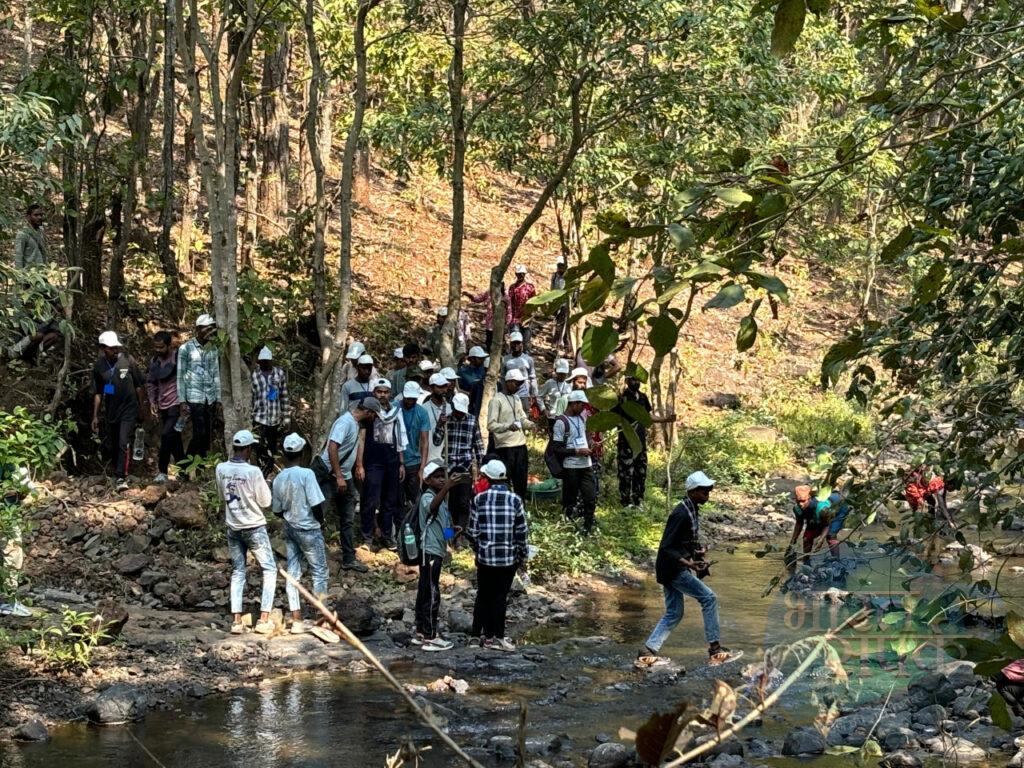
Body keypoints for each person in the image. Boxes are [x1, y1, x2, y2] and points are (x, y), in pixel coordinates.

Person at [636, 471, 731, 668]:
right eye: (704, 491)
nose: (707, 495)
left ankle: (647, 651)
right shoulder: (680, 514)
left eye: (709, 491)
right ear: (693, 491)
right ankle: (715, 649)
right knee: (709, 598)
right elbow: (666, 546)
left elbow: (683, 541)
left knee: (674, 613)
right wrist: (688, 564)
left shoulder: (692, 508)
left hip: (670, 567)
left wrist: (698, 553)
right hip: (673, 569)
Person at [217, 430, 276, 635]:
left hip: (233, 526)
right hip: (254, 526)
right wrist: (268, 483)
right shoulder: (253, 472)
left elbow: (221, 494)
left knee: (238, 571)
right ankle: (264, 619)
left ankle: (236, 621)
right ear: (249, 449)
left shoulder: (221, 468)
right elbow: (266, 502)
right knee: (269, 570)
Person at [313, 398, 382, 573]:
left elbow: (356, 444)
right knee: (318, 515)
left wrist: (358, 465)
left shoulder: (357, 425)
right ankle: (311, 558)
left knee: (348, 518)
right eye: (374, 415)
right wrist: (338, 476)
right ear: (368, 412)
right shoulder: (344, 422)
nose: (374, 419)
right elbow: (332, 447)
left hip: (345, 476)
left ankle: (349, 558)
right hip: (331, 475)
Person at [467, 459, 529, 651]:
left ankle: (476, 636)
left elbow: (472, 531)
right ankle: (497, 637)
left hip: (485, 558)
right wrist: (523, 558)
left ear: (489, 478)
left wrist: (478, 548)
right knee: (500, 597)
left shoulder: (479, 499)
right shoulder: (515, 500)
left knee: (483, 595)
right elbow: (521, 533)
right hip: (508, 559)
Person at [272, 433, 328, 635]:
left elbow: (276, 510)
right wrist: (321, 521)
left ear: (284, 454)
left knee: (293, 572)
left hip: (290, 527)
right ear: (302, 453)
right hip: (308, 529)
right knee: (319, 571)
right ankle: (321, 618)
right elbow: (316, 504)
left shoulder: (278, 478)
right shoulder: (306, 474)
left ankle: (296, 618)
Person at [355, 379, 407, 549]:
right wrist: (360, 464)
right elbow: (361, 439)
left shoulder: (395, 411)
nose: (382, 395)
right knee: (370, 499)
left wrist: (401, 463)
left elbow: (400, 437)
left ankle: (387, 536)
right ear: (374, 392)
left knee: (389, 501)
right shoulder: (368, 412)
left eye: (385, 392)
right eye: (379, 391)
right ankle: (367, 538)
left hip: (392, 461)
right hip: (373, 462)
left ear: (390, 393)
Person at [91, 331, 146, 491]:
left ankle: (122, 477)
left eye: (116, 347)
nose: (115, 350)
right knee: (113, 443)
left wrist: (142, 408)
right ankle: (116, 470)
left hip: (129, 409)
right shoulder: (99, 366)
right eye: (111, 348)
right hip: (111, 411)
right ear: (102, 348)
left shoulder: (128, 360)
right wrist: (95, 416)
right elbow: (98, 393)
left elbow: (138, 385)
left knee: (123, 441)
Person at [414, 461, 459, 652]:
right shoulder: (427, 497)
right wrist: (447, 487)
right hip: (429, 550)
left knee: (425, 589)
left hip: (437, 548)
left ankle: (420, 631)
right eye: (438, 477)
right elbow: (431, 508)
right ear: (428, 480)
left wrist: (453, 535)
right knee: (432, 592)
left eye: (444, 476)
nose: (442, 480)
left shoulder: (443, 503)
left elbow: (443, 529)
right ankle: (430, 635)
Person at [613, 375, 676, 507]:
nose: (636, 383)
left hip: (640, 442)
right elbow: (613, 417)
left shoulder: (642, 397)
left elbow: (647, 416)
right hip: (626, 442)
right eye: (633, 380)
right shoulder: (621, 398)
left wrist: (665, 419)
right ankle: (626, 502)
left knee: (640, 472)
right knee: (626, 473)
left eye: (637, 380)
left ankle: (638, 500)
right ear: (627, 381)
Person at [433, 392, 482, 541]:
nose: (459, 414)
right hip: (449, 467)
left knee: (463, 501)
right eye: (457, 410)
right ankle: (449, 536)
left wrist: (480, 466)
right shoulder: (446, 420)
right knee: (449, 502)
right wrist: (440, 426)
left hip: (465, 466)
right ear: (453, 407)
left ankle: (459, 536)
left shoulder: (472, 421)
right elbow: (436, 441)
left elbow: (478, 445)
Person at [177, 314, 221, 464]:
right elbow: (180, 376)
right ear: (198, 329)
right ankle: (184, 467)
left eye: (212, 328)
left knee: (207, 435)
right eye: (207, 328)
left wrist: (218, 398)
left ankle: (201, 467)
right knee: (199, 433)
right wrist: (182, 400)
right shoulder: (186, 348)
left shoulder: (214, 348)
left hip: (210, 397)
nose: (210, 332)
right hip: (194, 397)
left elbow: (216, 373)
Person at [552, 391, 598, 533]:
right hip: (570, 466)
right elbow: (557, 448)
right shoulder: (561, 422)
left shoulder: (582, 419)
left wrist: (591, 444)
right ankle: (568, 525)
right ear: (573, 404)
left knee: (590, 497)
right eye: (581, 405)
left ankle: (588, 526)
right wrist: (577, 451)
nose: (584, 408)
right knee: (570, 498)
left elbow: (586, 436)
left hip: (586, 464)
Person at [486, 370, 534, 499]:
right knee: (505, 480)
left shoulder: (517, 398)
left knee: (521, 481)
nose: (518, 387)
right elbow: (491, 425)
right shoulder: (496, 400)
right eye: (516, 383)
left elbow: (522, 419)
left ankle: (520, 506)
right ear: (508, 382)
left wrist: (531, 425)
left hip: (520, 445)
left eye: (520, 384)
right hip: (505, 447)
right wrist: (507, 426)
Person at [146, 331, 183, 484]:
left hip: (177, 404)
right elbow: (151, 382)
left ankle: (162, 470)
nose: (158, 350)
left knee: (167, 435)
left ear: (168, 345)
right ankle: (185, 470)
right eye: (156, 347)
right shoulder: (154, 361)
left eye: (161, 347)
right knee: (175, 440)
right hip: (162, 405)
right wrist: (152, 401)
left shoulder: (178, 359)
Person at [251, 346, 291, 476]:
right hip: (259, 418)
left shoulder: (279, 374)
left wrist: (286, 417)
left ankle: (270, 473)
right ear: (259, 361)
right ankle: (261, 472)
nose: (265, 363)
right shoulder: (254, 375)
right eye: (263, 361)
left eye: (267, 361)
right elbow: (250, 397)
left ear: (271, 360)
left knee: (273, 447)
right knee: (260, 447)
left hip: (274, 418)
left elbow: (284, 396)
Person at [0, 464, 33, 617]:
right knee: (12, 555)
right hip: (7, 517)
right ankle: (9, 602)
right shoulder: (9, 460)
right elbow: (25, 490)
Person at [399, 382, 431, 512]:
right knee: (397, 499)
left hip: (414, 461)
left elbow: (424, 441)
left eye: (413, 398)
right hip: (397, 461)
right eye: (408, 398)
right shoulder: (395, 408)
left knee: (415, 498)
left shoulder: (421, 412)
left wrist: (422, 468)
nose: (410, 401)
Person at [788, 485, 835, 565]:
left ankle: (836, 561)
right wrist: (793, 541)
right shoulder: (797, 509)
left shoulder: (823, 509)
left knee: (831, 536)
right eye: (798, 501)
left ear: (809, 498)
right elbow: (799, 524)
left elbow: (827, 525)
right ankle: (806, 562)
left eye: (803, 501)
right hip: (815, 519)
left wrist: (821, 540)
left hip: (832, 515)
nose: (800, 504)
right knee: (806, 539)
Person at [502, 331, 538, 414]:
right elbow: (502, 378)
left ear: (522, 344)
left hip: (524, 395)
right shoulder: (505, 359)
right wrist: (504, 392)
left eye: (518, 343)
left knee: (524, 417)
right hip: (509, 395)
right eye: (514, 343)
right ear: (510, 344)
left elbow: (532, 377)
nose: (516, 345)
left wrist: (533, 394)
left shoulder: (528, 359)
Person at [421, 373, 451, 464]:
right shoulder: (423, 409)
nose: (444, 390)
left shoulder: (450, 408)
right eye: (440, 387)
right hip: (428, 457)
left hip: (445, 457)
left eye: (445, 386)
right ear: (431, 388)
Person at [507, 265, 536, 350]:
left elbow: (534, 302)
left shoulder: (530, 287)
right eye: (518, 274)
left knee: (526, 341)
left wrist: (531, 316)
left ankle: (526, 356)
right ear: (516, 274)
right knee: (516, 340)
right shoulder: (512, 287)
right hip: (515, 318)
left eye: (522, 274)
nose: (520, 276)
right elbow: (509, 302)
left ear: (525, 274)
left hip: (526, 318)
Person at [14, 203, 49, 269]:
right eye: (36, 215)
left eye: (41, 215)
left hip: (41, 273)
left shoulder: (41, 232)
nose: (39, 217)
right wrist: (20, 276)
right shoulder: (22, 234)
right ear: (28, 217)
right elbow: (18, 256)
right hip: (29, 274)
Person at [538, 359, 572, 426]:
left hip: (567, 418)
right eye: (560, 373)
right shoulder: (550, 383)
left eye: (564, 374)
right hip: (553, 417)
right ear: (556, 371)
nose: (562, 376)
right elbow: (539, 396)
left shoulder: (570, 385)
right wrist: (544, 409)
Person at [551, 258, 570, 348]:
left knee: (561, 322)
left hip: (565, 303)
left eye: (562, 266)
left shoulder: (569, 277)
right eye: (559, 266)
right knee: (557, 322)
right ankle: (556, 340)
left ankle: (558, 341)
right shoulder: (555, 276)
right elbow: (552, 289)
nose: (560, 268)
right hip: (555, 302)